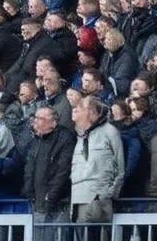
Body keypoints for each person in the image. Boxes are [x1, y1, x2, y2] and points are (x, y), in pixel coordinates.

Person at [70, 96, 124, 239]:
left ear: (93, 114)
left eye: (81, 108)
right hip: (77, 201)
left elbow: (120, 168)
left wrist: (109, 194)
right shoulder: (80, 137)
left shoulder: (110, 132)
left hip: (99, 201)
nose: (76, 111)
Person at [23, 106, 76, 237]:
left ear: (53, 122)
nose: (35, 121)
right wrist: (28, 191)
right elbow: (29, 168)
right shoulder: (36, 140)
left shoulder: (65, 138)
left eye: (40, 118)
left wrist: (51, 195)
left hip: (58, 204)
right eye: (35, 118)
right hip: (37, 202)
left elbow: (63, 170)